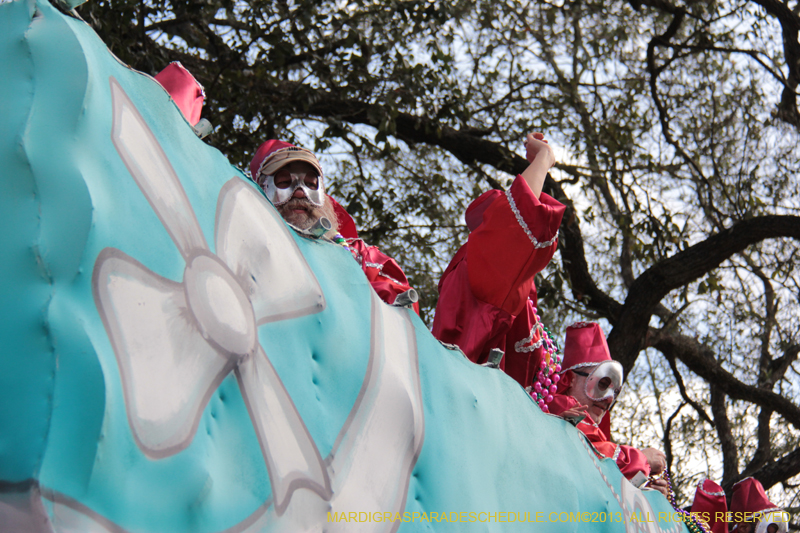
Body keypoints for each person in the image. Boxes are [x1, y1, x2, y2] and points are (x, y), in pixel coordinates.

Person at [432, 132, 565, 389]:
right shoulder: (479, 265)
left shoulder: (514, 292)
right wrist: (543, 160)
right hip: (454, 387)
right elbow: (518, 222)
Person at [249, 140, 419, 313]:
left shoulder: (361, 255)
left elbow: (401, 314)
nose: (300, 193)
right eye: (285, 182)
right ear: (262, 189)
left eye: (310, 184)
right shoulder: (243, 247)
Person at [548, 322, 669, 496]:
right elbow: (597, 457)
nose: (609, 398)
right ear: (571, 379)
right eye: (603, 384)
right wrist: (641, 459)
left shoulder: (592, 429)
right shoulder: (559, 407)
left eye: (616, 391)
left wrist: (647, 491)